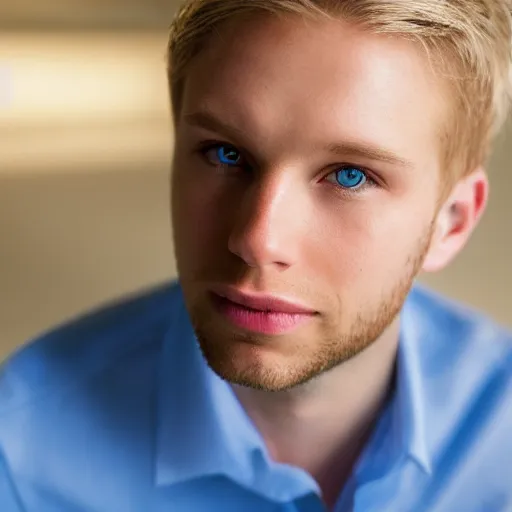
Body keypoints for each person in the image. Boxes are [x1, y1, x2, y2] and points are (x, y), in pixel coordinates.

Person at [1, 1, 512, 510]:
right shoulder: (21, 453)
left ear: (452, 222)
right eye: (226, 153)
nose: (258, 240)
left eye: (350, 175)